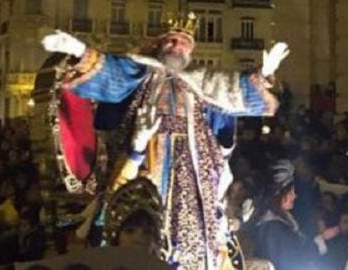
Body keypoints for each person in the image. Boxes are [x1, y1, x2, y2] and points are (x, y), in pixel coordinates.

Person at [42, 14, 289, 270]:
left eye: (183, 42)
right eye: (171, 41)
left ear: (190, 50)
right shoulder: (141, 71)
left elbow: (231, 90)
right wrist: (78, 50)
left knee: (199, 236)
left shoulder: (199, 80)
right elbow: (111, 72)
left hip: (195, 171)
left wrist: (265, 72)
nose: (176, 47)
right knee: (143, 225)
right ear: (160, 44)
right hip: (147, 159)